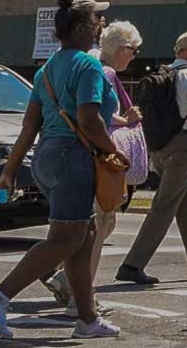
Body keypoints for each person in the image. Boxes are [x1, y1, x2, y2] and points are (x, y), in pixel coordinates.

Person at [0, 0, 125, 340]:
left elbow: (29, 126)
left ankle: (87, 319)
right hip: (73, 158)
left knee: (82, 239)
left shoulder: (46, 70)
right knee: (64, 239)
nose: (101, 26)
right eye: (96, 21)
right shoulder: (88, 67)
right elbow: (88, 118)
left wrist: (9, 171)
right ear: (81, 29)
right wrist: (113, 151)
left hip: (47, 157)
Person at [117, 30, 187, 286]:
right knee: (164, 205)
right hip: (180, 146)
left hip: (159, 147)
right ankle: (132, 265)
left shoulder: (164, 73)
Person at [57, 21, 147, 301]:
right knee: (101, 223)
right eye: (134, 50)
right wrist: (127, 120)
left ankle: (66, 279)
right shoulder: (105, 71)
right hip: (98, 158)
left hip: (76, 154)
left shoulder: (87, 65)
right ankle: (79, 294)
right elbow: (97, 115)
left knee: (91, 226)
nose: (134, 56)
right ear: (122, 49)